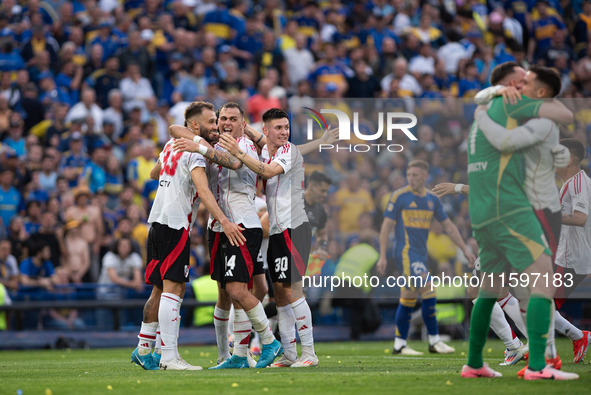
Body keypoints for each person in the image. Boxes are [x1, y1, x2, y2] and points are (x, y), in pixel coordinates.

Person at [460, 64, 579, 380]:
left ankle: (473, 363)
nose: (525, 79)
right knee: (543, 280)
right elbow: (566, 115)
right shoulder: (515, 102)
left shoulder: (487, 109)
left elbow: (480, 100)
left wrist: (487, 101)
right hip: (509, 209)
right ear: (513, 84)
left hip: (482, 212)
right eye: (522, 77)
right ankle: (540, 366)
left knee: (489, 288)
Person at [131, 101, 245, 371]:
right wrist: (225, 221)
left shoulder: (170, 145)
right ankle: (170, 357)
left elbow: (153, 173)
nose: (215, 126)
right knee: (175, 289)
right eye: (211, 122)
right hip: (175, 224)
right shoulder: (193, 153)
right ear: (195, 126)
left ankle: (144, 348)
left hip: (156, 222)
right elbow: (204, 192)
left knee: (159, 289)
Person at [218, 108, 318, 368]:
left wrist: (239, 152)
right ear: (267, 131)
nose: (284, 132)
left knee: (293, 291)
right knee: (281, 295)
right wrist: (238, 126)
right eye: (278, 128)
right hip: (276, 231)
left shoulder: (287, 152)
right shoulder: (265, 148)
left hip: (294, 228)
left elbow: (268, 171)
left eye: (286, 127)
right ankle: (289, 353)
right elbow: (254, 137)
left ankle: (309, 352)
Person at [376, 159, 475, 356]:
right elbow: (386, 225)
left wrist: (464, 249)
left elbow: (448, 226)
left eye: (415, 175)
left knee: (408, 298)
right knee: (428, 288)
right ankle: (434, 340)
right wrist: (382, 255)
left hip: (420, 254)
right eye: (409, 175)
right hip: (405, 252)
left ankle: (399, 344)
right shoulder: (399, 196)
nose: (411, 179)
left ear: (425, 177)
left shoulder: (432, 200)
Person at [554, 138, 591, 364]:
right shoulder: (570, 184)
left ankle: (539, 353)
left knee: (541, 304)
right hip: (564, 255)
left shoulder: (579, 183)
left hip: (573, 259)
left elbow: (580, 218)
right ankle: (579, 336)